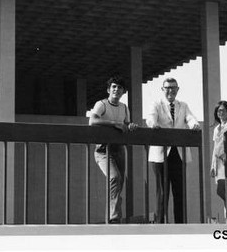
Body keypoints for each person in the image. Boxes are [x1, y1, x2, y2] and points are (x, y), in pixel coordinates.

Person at [146, 78, 201, 223]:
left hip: (178, 153)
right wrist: (153, 125)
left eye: (173, 88)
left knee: (179, 191)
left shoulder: (183, 105)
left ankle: (180, 224)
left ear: (177, 89)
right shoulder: (157, 104)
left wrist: (194, 125)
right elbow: (150, 118)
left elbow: (190, 118)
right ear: (162, 90)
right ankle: (160, 225)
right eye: (167, 88)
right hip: (160, 154)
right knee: (163, 192)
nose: (170, 90)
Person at [86, 76, 138, 224]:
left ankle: (114, 216)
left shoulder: (124, 107)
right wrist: (114, 123)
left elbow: (126, 124)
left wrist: (131, 126)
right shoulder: (101, 104)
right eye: (114, 87)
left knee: (119, 183)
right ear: (109, 89)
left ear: (123, 92)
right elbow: (92, 121)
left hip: (119, 148)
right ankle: (114, 218)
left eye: (120, 88)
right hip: (103, 150)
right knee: (114, 177)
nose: (116, 90)